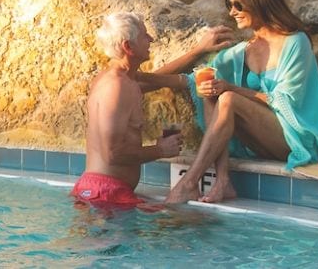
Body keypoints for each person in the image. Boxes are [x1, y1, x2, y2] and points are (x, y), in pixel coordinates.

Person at [161, 0, 318, 204]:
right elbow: (188, 80)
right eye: (229, 5)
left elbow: (286, 101)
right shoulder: (243, 50)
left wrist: (230, 88)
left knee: (228, 98)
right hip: (261, 139)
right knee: (209, 93)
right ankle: (223, 180)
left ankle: (189, 183)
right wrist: (196, 52)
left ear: (259, 2)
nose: (232, 12)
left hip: (294, 136)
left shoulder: (295, 42)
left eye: (238, 5)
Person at [72, 12, 231, 209]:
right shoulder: (117, 87)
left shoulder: (120, 80)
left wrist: (198, 51)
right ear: (128, 47)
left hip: (102, 191)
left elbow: (157, 78)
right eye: (144, 36)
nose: (151, 39)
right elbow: (111, 154)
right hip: (107, 195)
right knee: (187, 223)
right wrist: (160, 150)